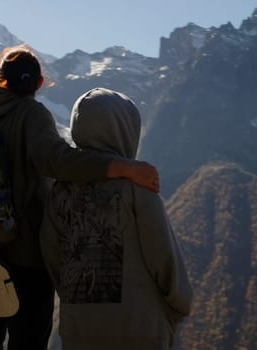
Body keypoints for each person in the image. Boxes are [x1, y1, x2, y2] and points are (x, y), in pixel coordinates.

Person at [0, 45, 160, 350]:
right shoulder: (30, 113)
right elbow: (56, 160)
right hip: (23, 255)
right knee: (28, 340)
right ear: (40, 83)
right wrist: (123, 167)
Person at [40, 88, 193, 350]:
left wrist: (74, 301)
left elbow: (52, 254)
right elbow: (163, 255)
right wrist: (180, 305)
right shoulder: (136, 186)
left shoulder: (59, 192)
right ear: (125, 130)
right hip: (140, 327)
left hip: (80, 329)